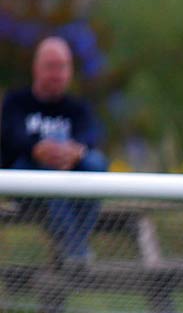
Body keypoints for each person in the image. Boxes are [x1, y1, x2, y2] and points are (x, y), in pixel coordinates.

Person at [1, 36, 107, 263]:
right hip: (28, 182)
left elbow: (89, 138)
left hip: (67, 180)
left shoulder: (77, 108)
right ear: (36, 68)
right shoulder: (16, 102)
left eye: (63, 66)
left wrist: (73, 152)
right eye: (51, 66)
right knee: (46, 175)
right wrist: (37, 150)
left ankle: (73, 250)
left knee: (95, 163)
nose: (57, 73)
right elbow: (11, 138)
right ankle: (76, 252)